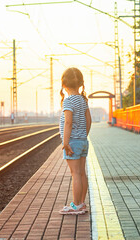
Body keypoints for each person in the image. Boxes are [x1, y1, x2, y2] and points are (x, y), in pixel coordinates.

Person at [59, 67, 92, 215]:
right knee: (82, 173)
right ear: (80, 83)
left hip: (72, 142)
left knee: (75, 174)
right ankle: (82, 204)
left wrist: (66, 143)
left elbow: (68, 123)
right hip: (83, 141)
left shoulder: (68, 102)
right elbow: (88, 120)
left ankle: (76, 205)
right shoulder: (83, 100)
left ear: (64, 84)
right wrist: (83, 135)